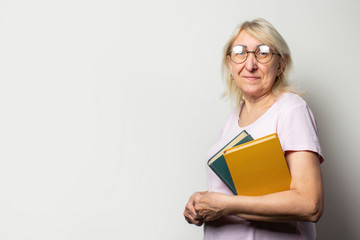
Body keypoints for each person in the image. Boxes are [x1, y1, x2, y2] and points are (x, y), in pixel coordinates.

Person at [184, 18, 324, 240]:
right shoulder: (233, 118)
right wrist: (201, 202)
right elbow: (234, 194)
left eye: (263, 53)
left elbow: (310, 205)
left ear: (281, 65)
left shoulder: (290, 108)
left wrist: (225, 205)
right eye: (240, 52)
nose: (250, 64)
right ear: (230, 64)